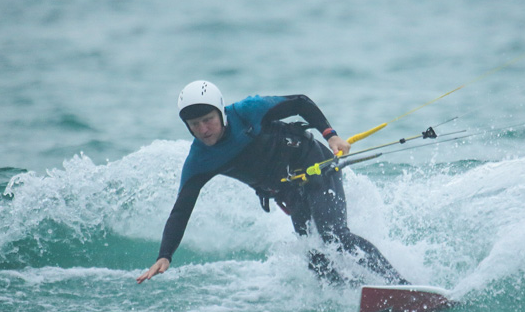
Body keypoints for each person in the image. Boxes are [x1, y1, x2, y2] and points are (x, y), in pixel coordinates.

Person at [137, 80, 408, 286]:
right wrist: (165, 254)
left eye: (208, 120)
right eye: (194, 124)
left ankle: (402, 286)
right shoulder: (200, 160)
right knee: (314, 257)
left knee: (333, 236)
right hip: (291, 193)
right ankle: (355, 295)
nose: (203, 130)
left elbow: (301, 102)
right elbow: (182, 208)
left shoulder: (247, 112)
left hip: (316, 166)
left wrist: (331, 135)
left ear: (221, 112)